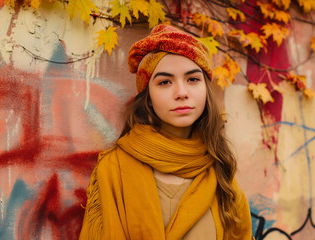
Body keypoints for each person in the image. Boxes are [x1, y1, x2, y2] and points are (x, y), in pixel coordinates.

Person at [79, 24, 253, 240]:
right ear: (148, 96)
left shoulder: (220, 173)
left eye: (193, 79)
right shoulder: (114, 169)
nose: (181, 93)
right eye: (164, 82)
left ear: (205, 90)